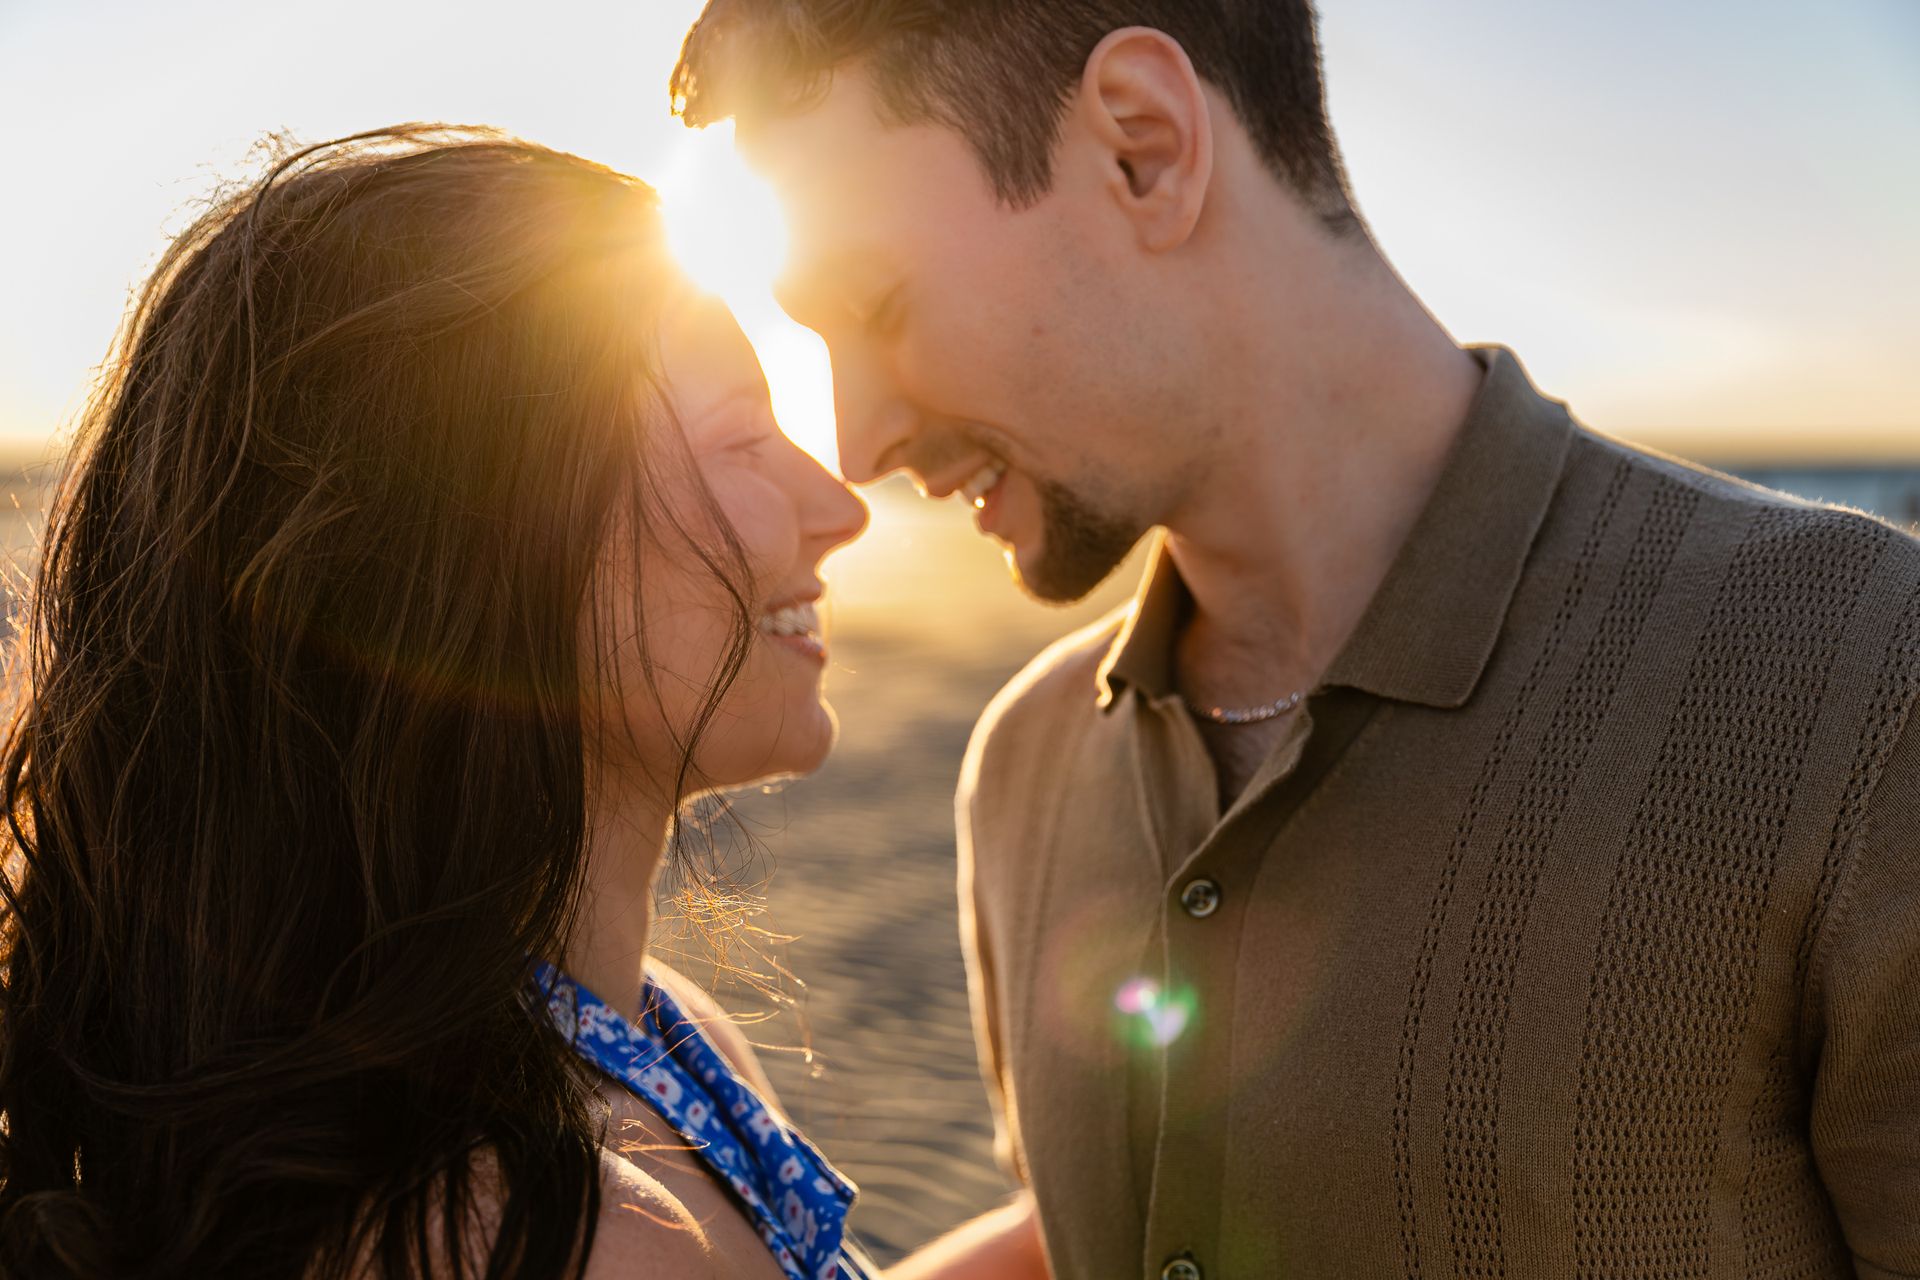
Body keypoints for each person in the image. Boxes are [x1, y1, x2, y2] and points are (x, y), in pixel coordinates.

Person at [670, 4, 1920, 1278]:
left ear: (1143, 147)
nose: (860, 439)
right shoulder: (1026, 766)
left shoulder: (1863, 674)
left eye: (878, 303)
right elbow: (1103, 1225)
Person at [0, 126, 876, 1280]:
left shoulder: (664, 1034)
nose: (839, 505)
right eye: (745, 437)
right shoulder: (531, 1238)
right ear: (488, 539)